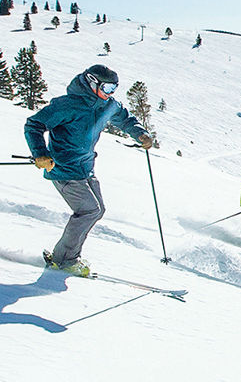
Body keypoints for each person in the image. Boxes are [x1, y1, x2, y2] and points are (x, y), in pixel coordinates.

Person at [24, 64, 154, 275]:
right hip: (63, 168)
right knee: (88, 211)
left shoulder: (108, 105)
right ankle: (64, 260)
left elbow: (125, 119)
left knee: (97, 210)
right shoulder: (67, 105)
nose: (110, 94)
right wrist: (40, 153)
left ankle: (64, 256)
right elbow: (34, 124)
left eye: (114, 89)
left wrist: (140, 134)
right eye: (108, 88)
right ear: (92, 82)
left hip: (86, 168)